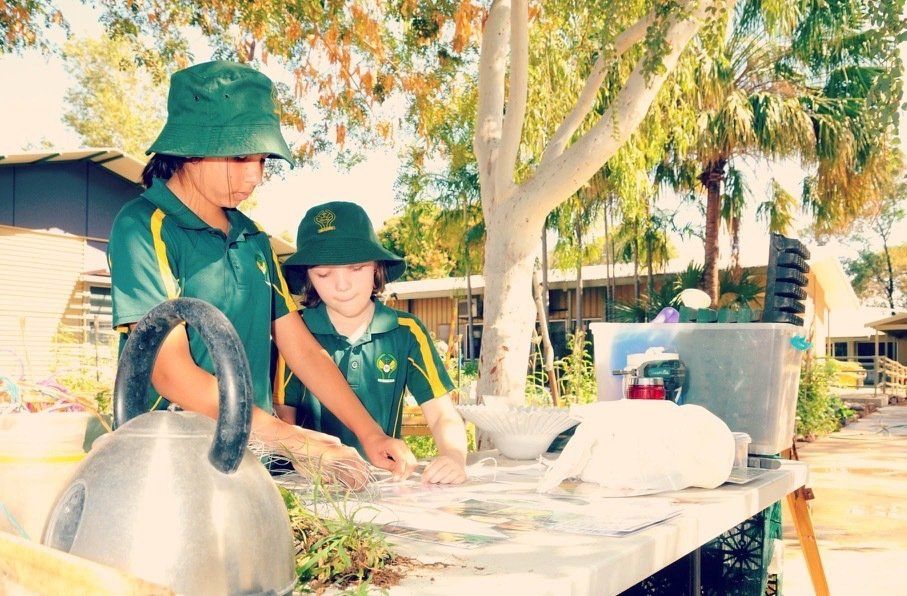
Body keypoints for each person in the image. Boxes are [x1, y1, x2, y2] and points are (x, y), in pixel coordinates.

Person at [108, 61, 416, 487]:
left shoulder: (254, 238)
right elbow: (168, 371)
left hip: (251, 456)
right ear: (190, 151)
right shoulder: (143, 227)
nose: (255, 176)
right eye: (239, 158)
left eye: (261, 159)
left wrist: (370, 433)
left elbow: (303, 350)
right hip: (171, 462)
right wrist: (292, 439)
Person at [274, 201, 468, 485]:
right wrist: (303, 459)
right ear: (308, 279)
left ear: (377, 269)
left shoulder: (407, 331)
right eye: (324, 274)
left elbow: (441, 414)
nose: (342, 285)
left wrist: (453, 456)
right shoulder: (293, 331)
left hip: (384, 483)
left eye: (356, 268)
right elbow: (282, 416)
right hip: (312, 485)